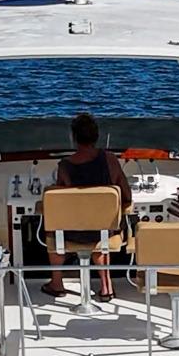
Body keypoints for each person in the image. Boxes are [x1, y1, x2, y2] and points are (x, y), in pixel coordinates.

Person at [47, 112, 132, 301]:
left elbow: (61, 199)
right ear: (96, 136)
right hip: (104, 231)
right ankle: (106, 286)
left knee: (54, 231)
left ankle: (57, 284)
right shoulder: (110, 160)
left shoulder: (64, 166)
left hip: (72, 232)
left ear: (74, 137)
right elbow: (126, 194)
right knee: (100, 233)